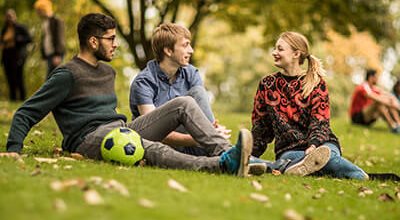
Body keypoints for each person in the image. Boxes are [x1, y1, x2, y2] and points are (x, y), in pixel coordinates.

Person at [4, 13, 323, 177]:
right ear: (92, 42)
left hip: (120, 130)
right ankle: (221, 166)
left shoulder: (107, 71)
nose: (115, 44)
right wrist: (14, 149)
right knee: (151, 149)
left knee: (183, 102)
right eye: (110, 39)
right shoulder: (67, 74)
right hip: (90, 140)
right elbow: (27, 112)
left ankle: (230, 154)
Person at [251, 31, 369, 180]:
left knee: (325, 156)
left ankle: (294, 166)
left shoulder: (316, 83)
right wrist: (249, 153)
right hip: (290, 149)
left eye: (280, 49)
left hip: (322, 145)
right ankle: (350, 173)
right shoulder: (267, 84)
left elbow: (320, 121)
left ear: (296, 54)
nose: (274, 52)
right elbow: (261, 126)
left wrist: (313, 146)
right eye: (275, 49)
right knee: (298, 159)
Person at [129, 23, 231, 157]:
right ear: (168, 51)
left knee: (198, 92)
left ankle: (230, 152)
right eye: (185, 45)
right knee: (216, 144)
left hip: (193, 141)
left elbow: (202, 118)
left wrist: (212, 131)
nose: (191, 50)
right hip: (161, 146)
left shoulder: (191, 73)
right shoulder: (144, 82)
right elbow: (152, 131)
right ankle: (223, 149)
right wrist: (201, 138)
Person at [349, 69, 400, 133]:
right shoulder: (363, 86)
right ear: (371, 77)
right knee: (379, 103)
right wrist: (393, 104)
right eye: (376, 77)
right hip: (357, 118)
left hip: (367, 118)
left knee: (387, 101)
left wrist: (392, 100)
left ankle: (398, 124)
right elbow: (374, 98)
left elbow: (386, 94)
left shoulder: (372, 88)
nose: (377, 79)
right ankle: (393, 126)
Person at [0, 9, 32, 101]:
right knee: (9, 78)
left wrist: (16, 40)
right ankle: (12, 99)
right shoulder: (5, 29)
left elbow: (29, 38)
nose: (9, 18)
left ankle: (22, 99)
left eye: (11, 16)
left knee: (19, 77)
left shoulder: (20, 27)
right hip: (7, 56)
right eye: (7, 16)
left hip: (17, 56)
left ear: (15, 16)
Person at [34, 0, 65, 78]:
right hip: (49, 54)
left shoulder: (56, 21)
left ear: (44, 9)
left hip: (55, 55)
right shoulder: (45, 22)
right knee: (52, 78)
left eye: (39, 11)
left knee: (52, 78)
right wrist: (43, 54)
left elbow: (60, 38)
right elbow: (45, 39)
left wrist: (58, 54)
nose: (38, 13)